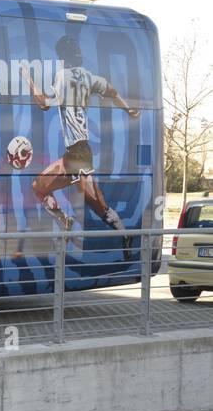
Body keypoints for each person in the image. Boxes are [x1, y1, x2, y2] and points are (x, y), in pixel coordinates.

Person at [23, 36, 141, 259]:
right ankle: (124, 232)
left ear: (62, 58)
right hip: (81, 151)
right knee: (98, 204)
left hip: (76, 153)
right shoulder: (89, 77)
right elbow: (113, 91)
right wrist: (129, 111)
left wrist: (29, 80)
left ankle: (64, 219)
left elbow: (44, 104)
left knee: (39, 186)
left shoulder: (63, 76)